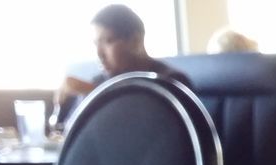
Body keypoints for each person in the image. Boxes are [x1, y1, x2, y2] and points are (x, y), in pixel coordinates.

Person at [56, 4, 193, 111]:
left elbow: (144, 120)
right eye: (96, 43)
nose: (99, 53)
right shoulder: (100, 81)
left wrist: (94, 92)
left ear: (135, 41)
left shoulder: (172, 82)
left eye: (108, 41)